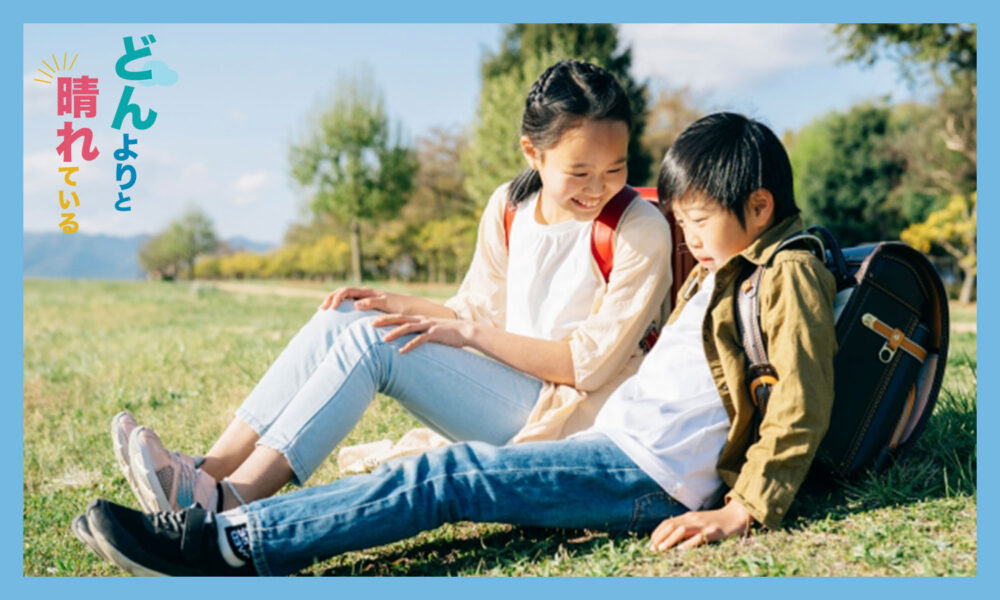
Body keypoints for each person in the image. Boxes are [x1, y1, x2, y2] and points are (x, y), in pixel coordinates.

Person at [75, 111, 836, 577]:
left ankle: (230, 541)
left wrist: (745, 509)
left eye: (697, 219)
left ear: (759, 205)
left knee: (450, 478)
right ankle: (212, 494)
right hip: (618, 446)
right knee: (444, 462)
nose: (687, 235)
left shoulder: (788, 269)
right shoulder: (725, 268)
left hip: (648, 475)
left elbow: (802, 402)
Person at [109, 59, 673, 516]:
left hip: (568, 419)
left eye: (615, 169)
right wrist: (394, 302)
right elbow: (474, 309)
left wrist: (468, 333)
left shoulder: (636, 228)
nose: (598, 187)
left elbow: (586, 366)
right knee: (344, 319)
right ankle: (208, 470)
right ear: (533, 152)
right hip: (508, 388)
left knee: (372, 345)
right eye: (579, 172)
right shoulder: (510, 206)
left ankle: (229, 499)